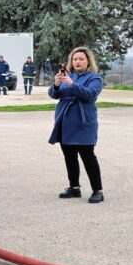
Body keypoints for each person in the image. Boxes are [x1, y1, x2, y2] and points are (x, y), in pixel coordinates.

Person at [48, 46, 105, 204]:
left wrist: (72, 84)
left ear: (88, 61)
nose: (77, 62)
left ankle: (97, 190)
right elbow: (54, 94)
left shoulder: (95, 78)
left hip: (83, 121)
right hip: (65, 120)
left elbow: (90, 94)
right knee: (69, 156)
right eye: (75, 59)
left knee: (88, 156)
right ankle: (74, 187)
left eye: (81, 59)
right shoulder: (67, 75)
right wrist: (56, 84)